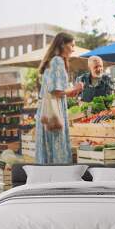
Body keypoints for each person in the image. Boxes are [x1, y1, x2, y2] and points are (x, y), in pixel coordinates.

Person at [35, 32, 84, 164]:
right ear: (63, 44)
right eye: (72, 45)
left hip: (47, 110)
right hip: (54, 112)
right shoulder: (57, 61)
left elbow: (54, 90)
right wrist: (76, 88)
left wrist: (70, 92)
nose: (73, 49)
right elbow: (56, 91)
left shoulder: (52, 61)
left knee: (48, 154)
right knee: (57, 152)